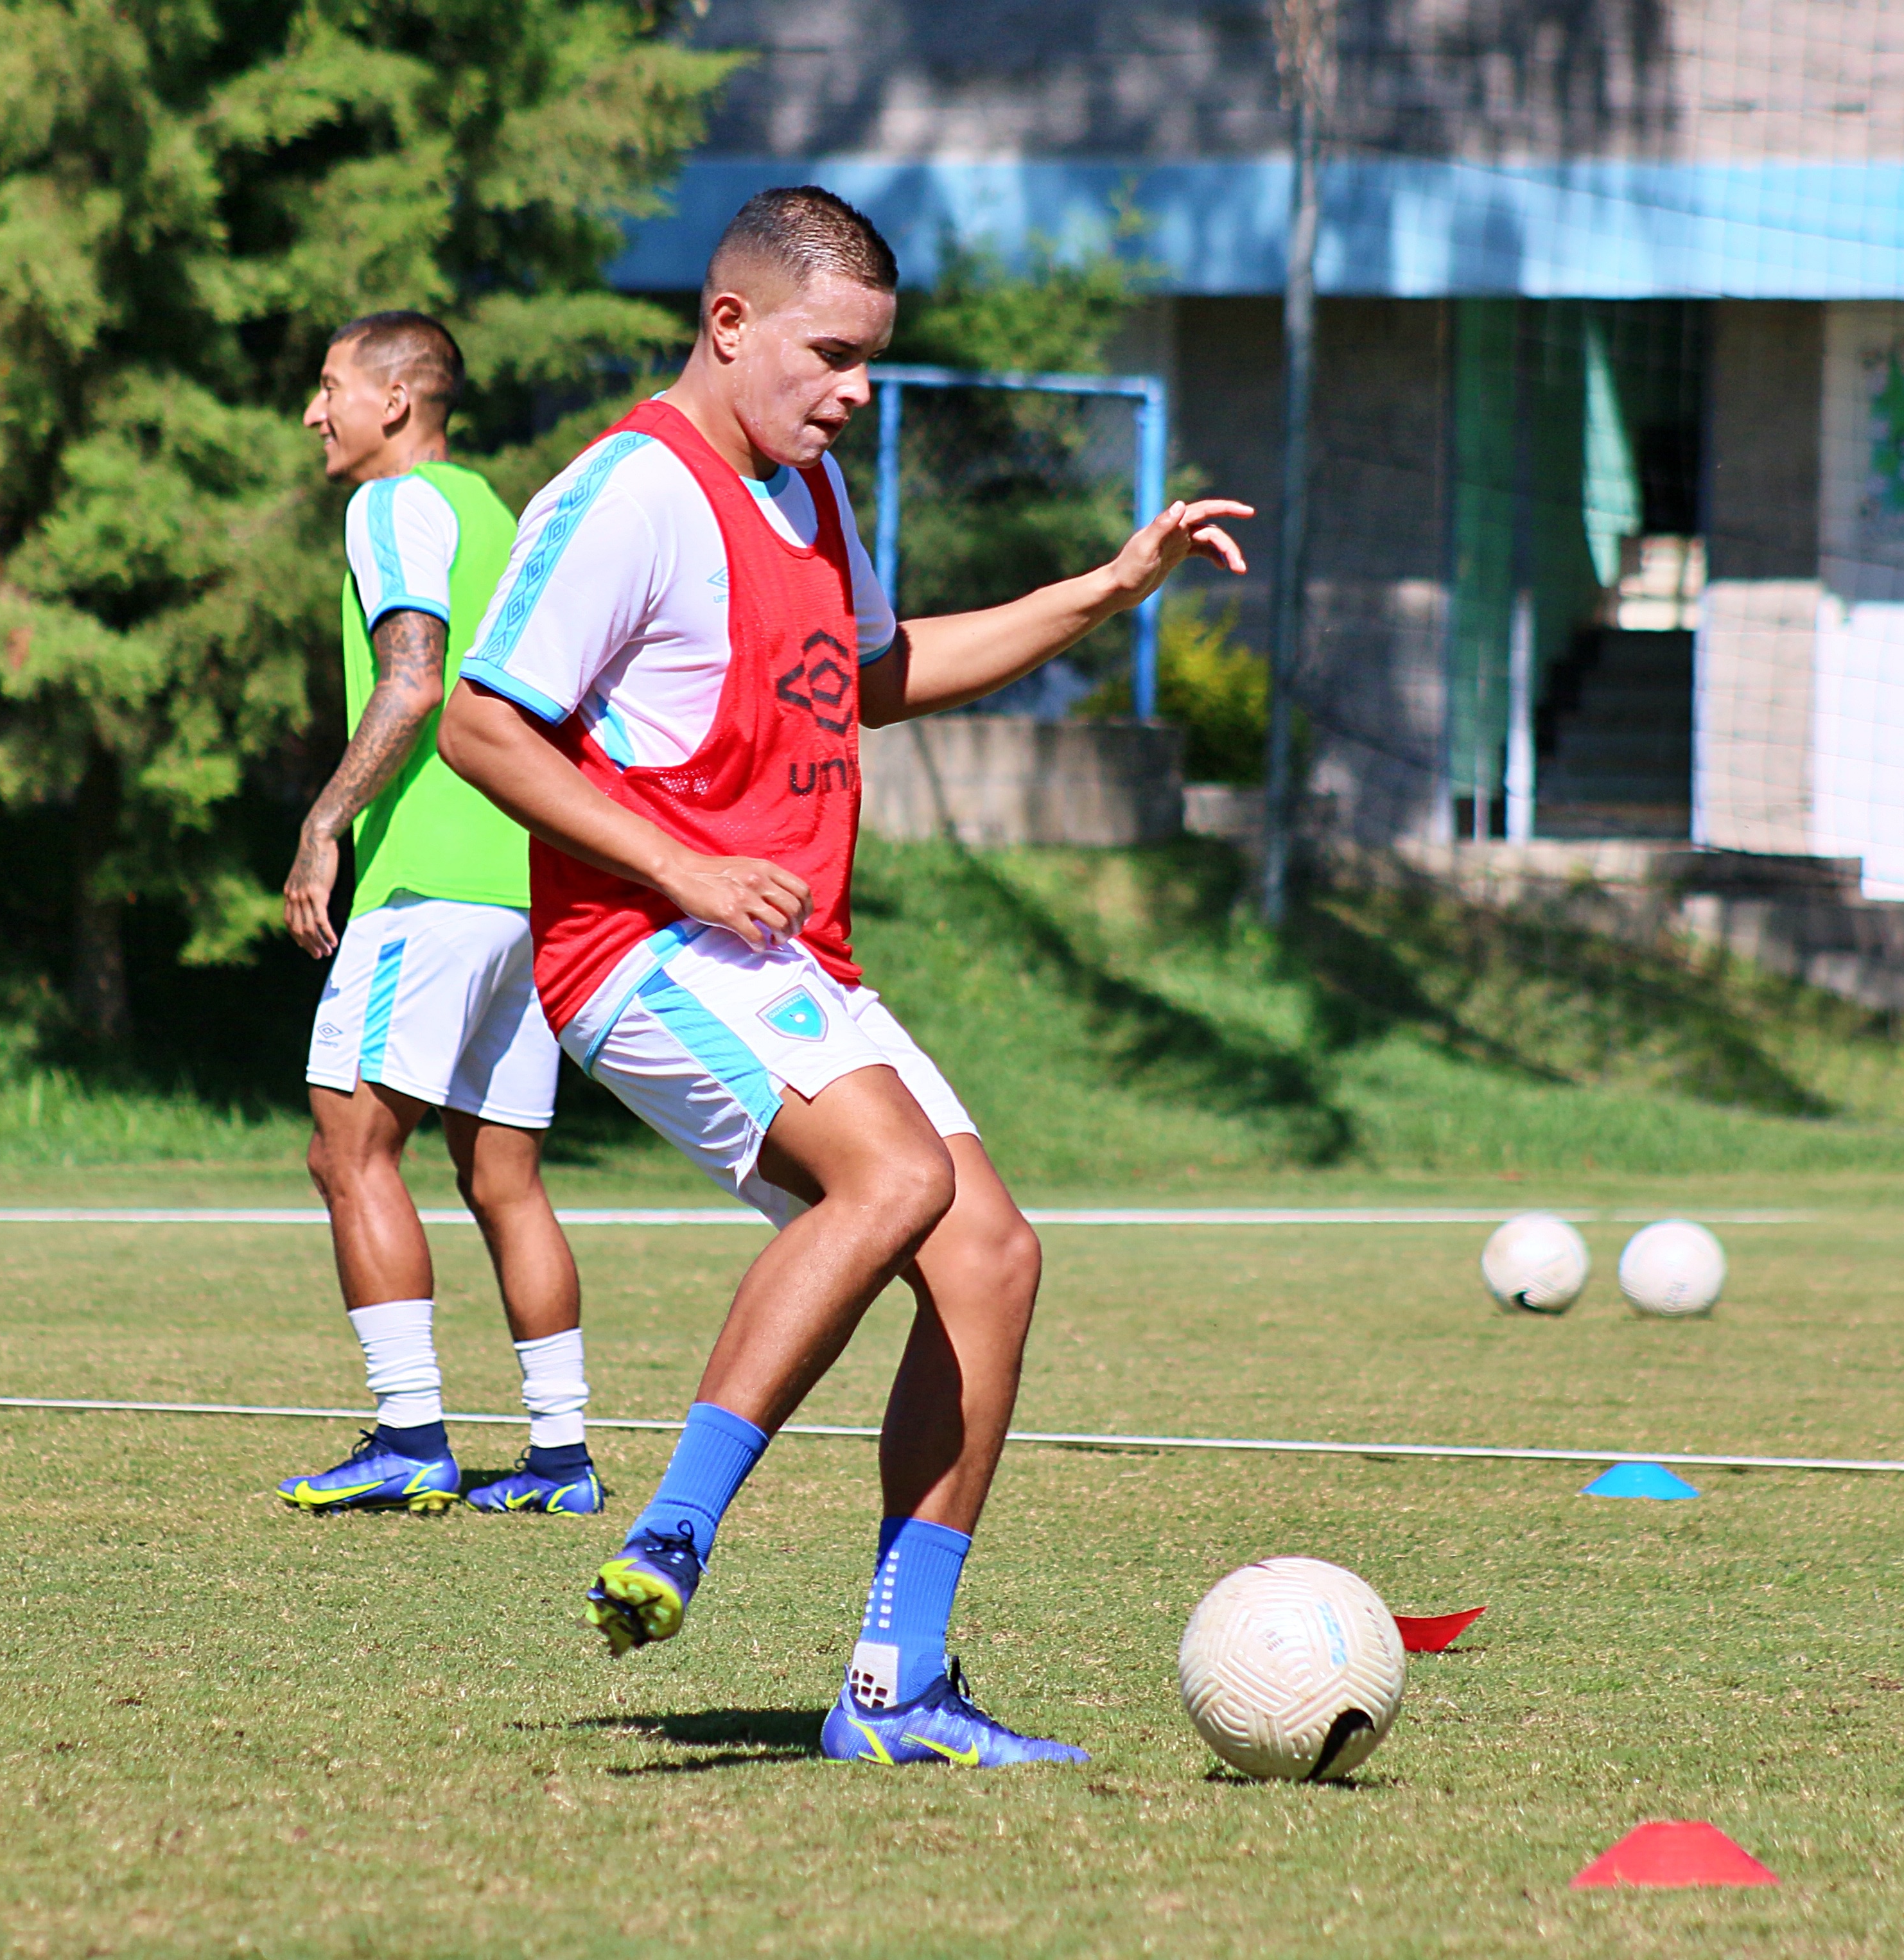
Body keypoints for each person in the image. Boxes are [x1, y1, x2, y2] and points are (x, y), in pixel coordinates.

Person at [440, 188, 1248, 1765]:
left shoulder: (812, 493)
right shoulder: (625, 492)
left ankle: (898, 1685)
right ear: (729, 324)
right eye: (832, 355)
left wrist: (1106, 589)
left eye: (872, 360)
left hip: (778, 954)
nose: (857, 391)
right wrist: (680, 868)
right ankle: (673, 1530)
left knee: (995, 1256)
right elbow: (481, 725)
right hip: (639, 944)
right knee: (889, 1179)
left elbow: (877, 676)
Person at [278, 311, 600, 1518]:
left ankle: (411, 1435)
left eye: (330, 388)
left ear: (398, 400)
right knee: (503, 1175)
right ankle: (562, 1458)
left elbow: (414, 678)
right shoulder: (492, 512)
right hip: (530, 884)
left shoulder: (391, 506)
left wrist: (324, 824)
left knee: (346, 1148)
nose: (317, 414)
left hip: (429, 884)